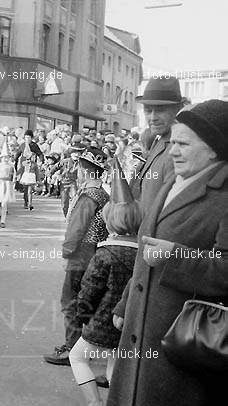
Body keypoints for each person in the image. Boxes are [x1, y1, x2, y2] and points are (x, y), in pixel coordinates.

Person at [108, 100, 228, 406]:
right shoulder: (175, 181)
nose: (172, 150)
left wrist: (176, 256)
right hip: (140, 328)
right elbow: (144, 251)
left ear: (213, 149)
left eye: (183, 144)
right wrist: (124, 305)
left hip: (184, 344)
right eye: (172, 142)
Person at [68, 159, 141, 406]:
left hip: (101, 321)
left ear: (110, 219)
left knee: (77, 357)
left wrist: (80, 314)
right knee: (114, 366)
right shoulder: (143, 253)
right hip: (130, 322)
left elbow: (89, 290)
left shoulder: (105, 253)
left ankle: (94, 403)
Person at [44, 147, 109, 366]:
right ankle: (84, 348)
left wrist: (67, 252)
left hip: (81, 255)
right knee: (88, 301)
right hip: (96, 253)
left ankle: (73, 350)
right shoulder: (103, 194)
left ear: (84, 169)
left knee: (71, 302)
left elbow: (76, 228)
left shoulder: (88, 196)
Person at [129, 76, 183, 211]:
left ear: (178, 109)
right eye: (148, 110)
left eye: (160, 110)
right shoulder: (159, 140)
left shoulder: (179, 148)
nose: (152, 118)